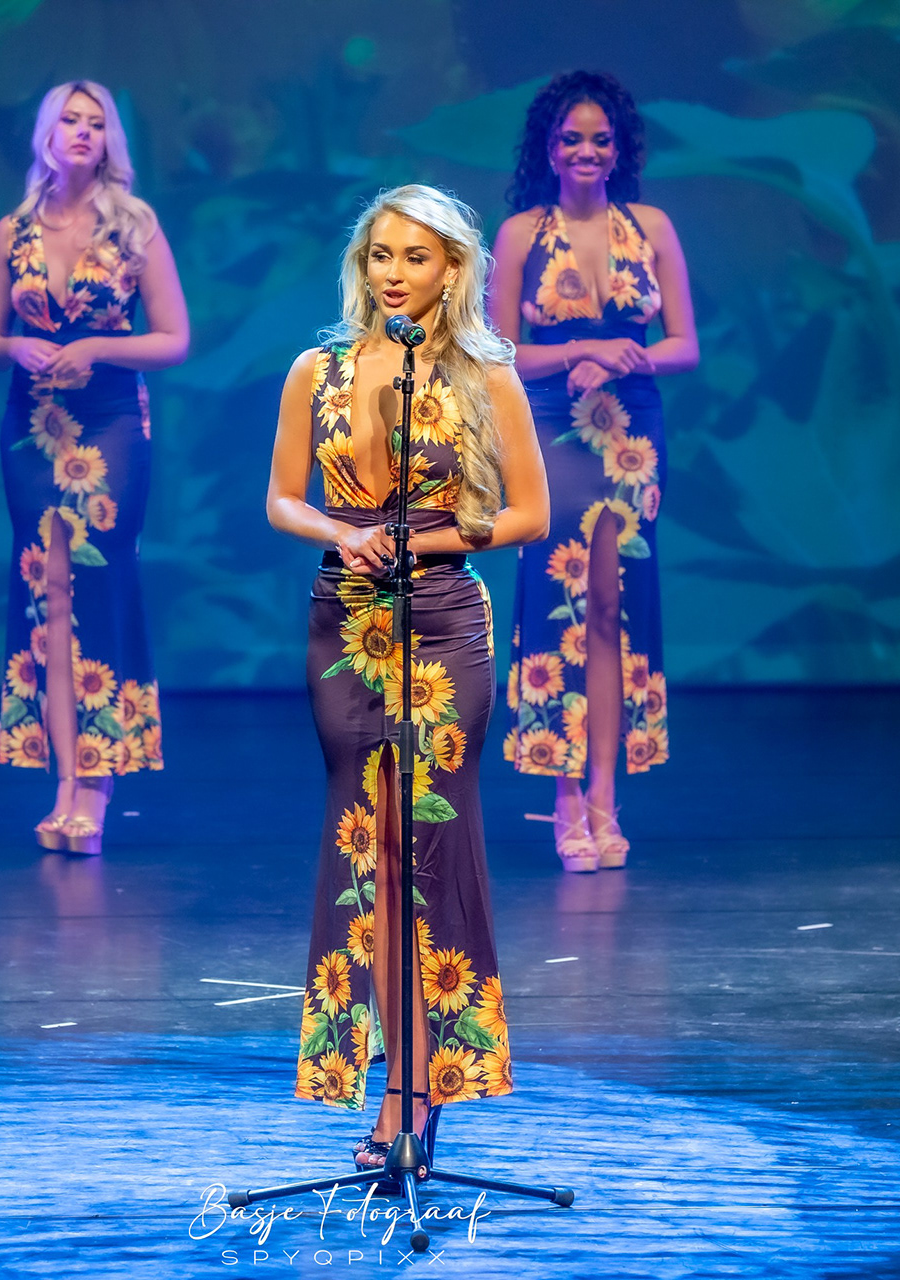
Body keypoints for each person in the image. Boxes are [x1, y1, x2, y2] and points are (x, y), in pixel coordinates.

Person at [266, 185, 549, 1170]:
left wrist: (421, 539)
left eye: (415, 256)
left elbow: (528, 515)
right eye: (380, 254)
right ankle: (393, 1082)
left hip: (442, 625)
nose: (393, 272)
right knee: (368, 852)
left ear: (452, 269)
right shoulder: (320, 370)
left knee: (430, 847)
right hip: (346, 623)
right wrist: (341, 532)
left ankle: (427, 1087)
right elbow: (282, 498)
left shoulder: (486, 375)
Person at [0, 80, 189, 855]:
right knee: (48, 592)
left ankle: (97, 784)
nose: (83, 132)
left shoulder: (134, 225)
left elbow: (173, 339)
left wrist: (97, 346)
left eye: (97, 123)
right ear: (47, 133)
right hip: (32, 425)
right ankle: (65, 780)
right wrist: (15, 346)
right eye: (70, 119)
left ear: (109, 141)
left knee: (98, 581)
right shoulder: (13, 231)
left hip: (110, 423)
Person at [490, 71, 698, 873]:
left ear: (619, 149)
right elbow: (499, 353)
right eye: (571, 138)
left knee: (615, 607)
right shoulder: (521, 235)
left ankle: (606, 796)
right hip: (554, 428)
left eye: (600, 139)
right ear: (548, 149)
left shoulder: (651, 227)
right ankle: (565, 797)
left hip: (632, 432)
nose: (587, 150)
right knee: (561, 601)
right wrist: (581, 348)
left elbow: (684, 344)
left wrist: (623, 357)